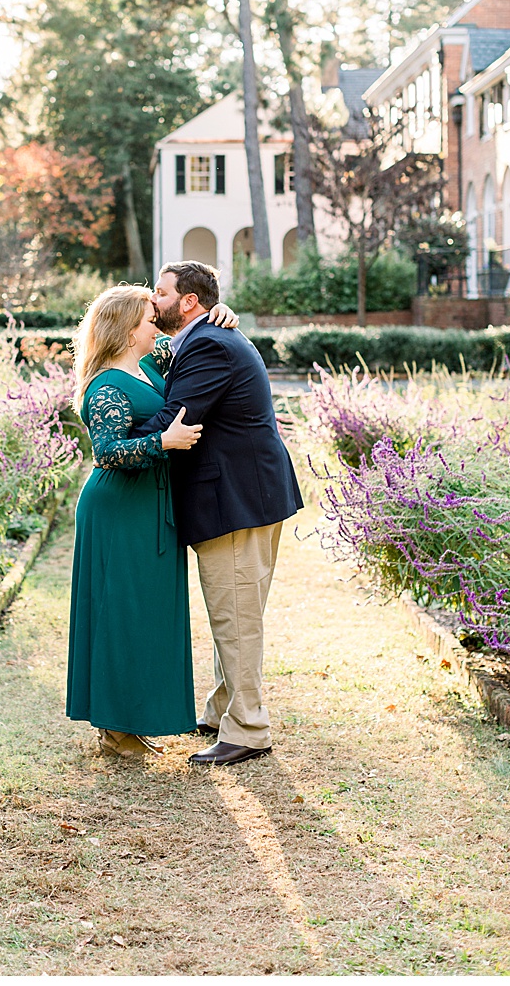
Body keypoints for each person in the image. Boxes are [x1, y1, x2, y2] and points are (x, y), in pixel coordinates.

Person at [131, 260, 304, 767]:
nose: (152, 301)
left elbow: (175, 419)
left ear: (188, 303)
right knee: (236, 611)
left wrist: (115, 429)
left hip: (235, 501)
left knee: (236, 617)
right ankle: (223, 707)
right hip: (247, 495)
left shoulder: (207, 343)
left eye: (159, 293)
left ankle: (249, 729)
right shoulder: (204, 337)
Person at [65, 283, 238, 759]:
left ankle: (131, 721)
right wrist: (163, 443)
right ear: (125, 330)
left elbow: (190, 339)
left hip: (151, 506)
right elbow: (107, 452)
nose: (155, 324)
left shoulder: (147, 365)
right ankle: (115, 729)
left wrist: (217, 312)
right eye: (147, 319)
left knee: (147, 613)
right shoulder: (105, 385)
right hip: (119, 509)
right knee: (121, 612)